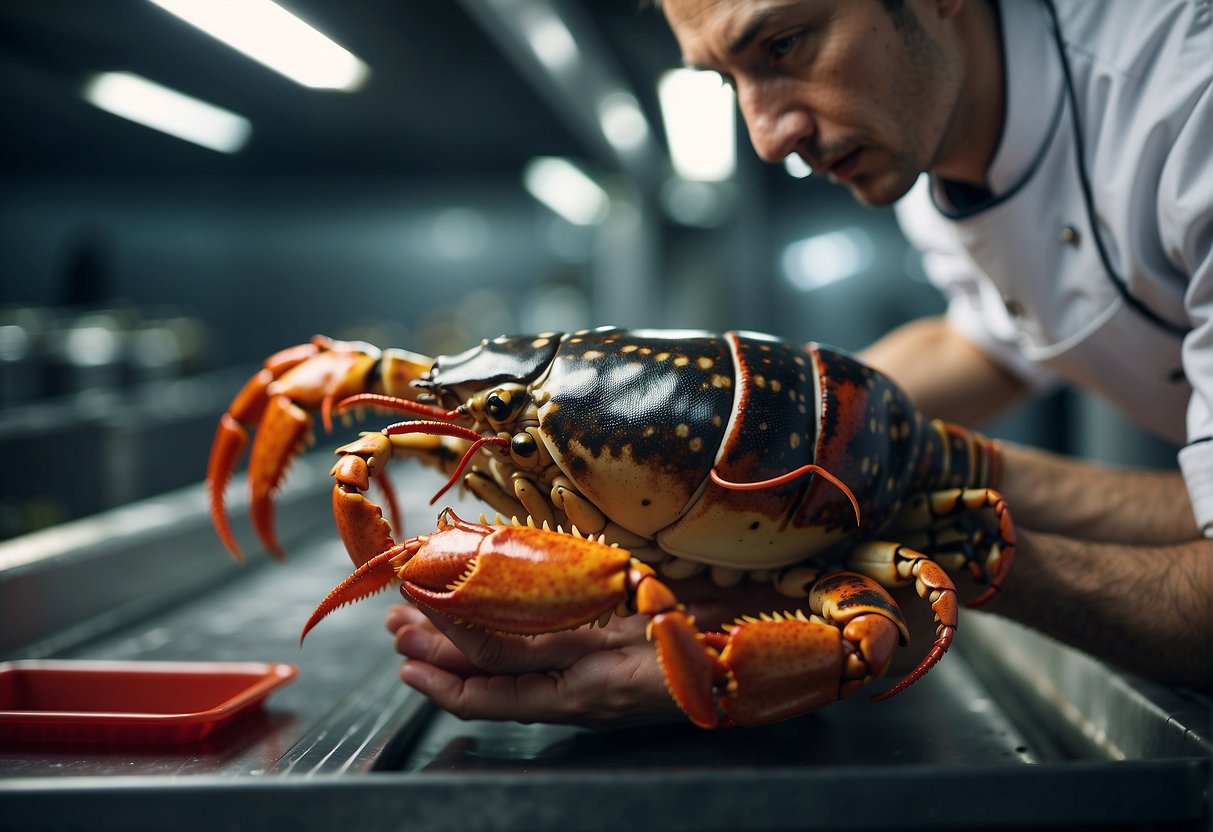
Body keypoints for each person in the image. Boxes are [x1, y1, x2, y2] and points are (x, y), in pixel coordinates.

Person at [384, 0, 1212, 727]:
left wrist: (949, 537)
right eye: (724, 80)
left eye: (783, 44)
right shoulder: (929, 150)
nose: (768, 136)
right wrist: (729, 445)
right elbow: (986, 341)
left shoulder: (1191, 109)